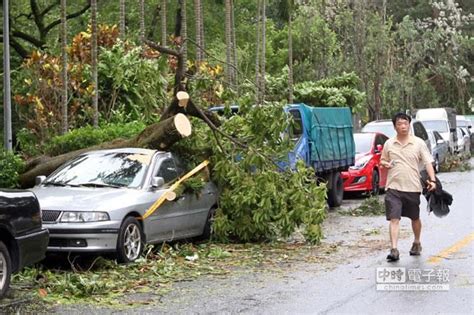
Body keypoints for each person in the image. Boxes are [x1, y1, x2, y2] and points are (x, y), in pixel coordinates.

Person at [380, 112, 436, 262]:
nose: (403, 126)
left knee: (415, 217)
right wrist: (386, 164)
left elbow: (428, 162)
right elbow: (382, 161)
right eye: (399, 124)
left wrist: (433, 180)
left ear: (409, 125)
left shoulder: (418, 143)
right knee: (394, 218)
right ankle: (394, 249)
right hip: (393, 187)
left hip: (412, 187)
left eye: (405, 123)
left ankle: (417, 242)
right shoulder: (389, 144)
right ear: (395, 126)